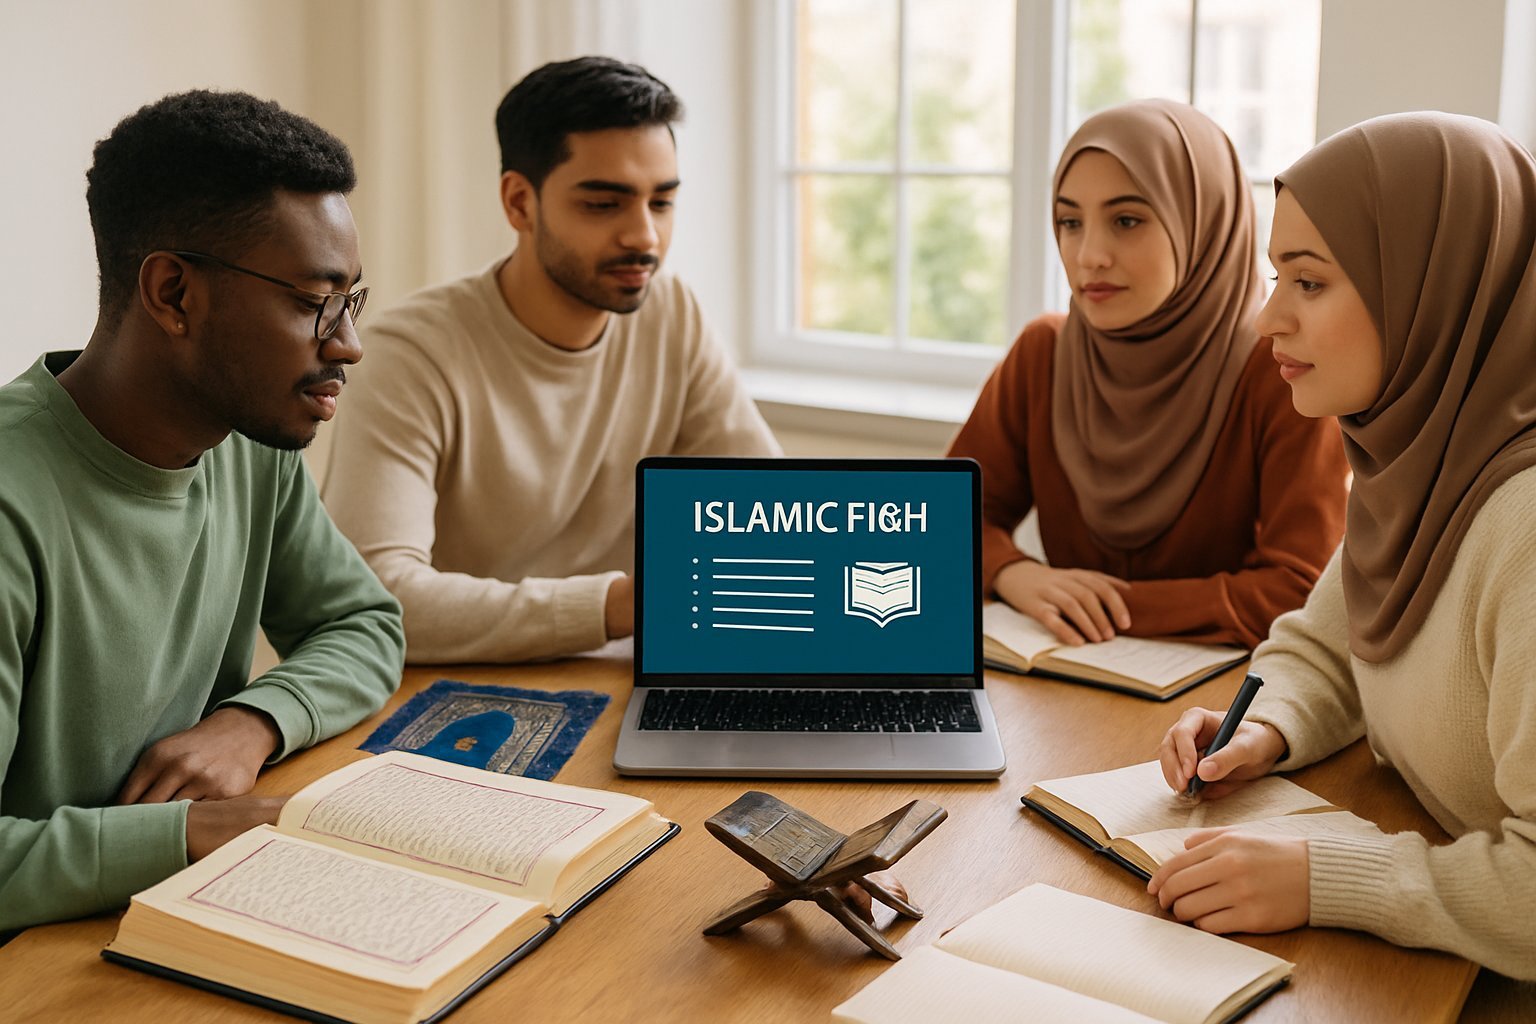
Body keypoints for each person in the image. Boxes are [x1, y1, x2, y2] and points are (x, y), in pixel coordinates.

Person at [0, 91, 405, 931]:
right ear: (174, 292)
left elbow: (366, 625)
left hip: (169, 917)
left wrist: (252, 722)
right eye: (311, 302)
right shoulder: (12, 507)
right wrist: (187, 831)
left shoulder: (249, 444)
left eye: (350, 301)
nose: (347, 343)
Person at [1150, 112, 1536, 983]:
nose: (1265, 318)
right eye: (1275, 275)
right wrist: (1265, 726)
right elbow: (1328, 647)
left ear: (1430, 289)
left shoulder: (1526, 525)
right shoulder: (1423, 463)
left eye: (1310, 283)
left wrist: (1327, 881)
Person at [321, 56, 779, 665]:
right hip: (454, 697)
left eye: (661, 202)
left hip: (628, 674)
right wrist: (620, 606)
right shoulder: (413, 354)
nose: (644, 236)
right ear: (520, 203)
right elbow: (378, 600)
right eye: (603, 204)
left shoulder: (673, 314)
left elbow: (774, 513)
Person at [947, 100, 1348, 650]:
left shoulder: (1282, 370)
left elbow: (1301, 591)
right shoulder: (1044, 353)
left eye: (1127, 220)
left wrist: (1102, 608)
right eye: (1069, 222)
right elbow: (943, 522)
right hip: (1067, 688)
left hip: (1218, 710)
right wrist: (1017, 576)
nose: (1089, 255)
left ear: (1201, 222)